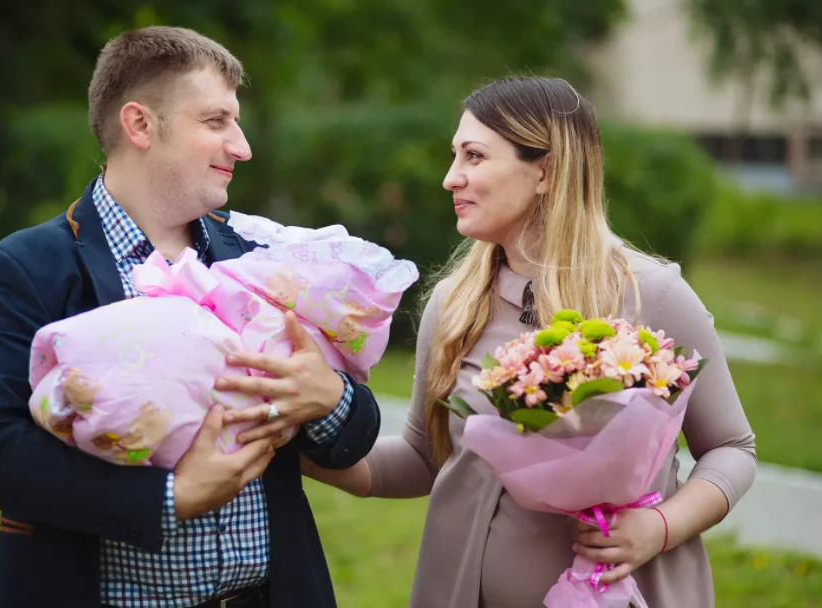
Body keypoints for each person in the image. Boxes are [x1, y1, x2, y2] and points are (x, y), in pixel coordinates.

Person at [0, 25, 381, 608]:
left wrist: (330, 398)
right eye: (216, 121)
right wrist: (169, 498)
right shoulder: (24, 267)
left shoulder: (262, 256)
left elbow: (350, 440)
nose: (242, 146)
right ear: (140, 125)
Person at [303, 77, 757, 607]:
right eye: (455, 155)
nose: (451, 178)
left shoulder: (649, 293)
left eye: (474, 156)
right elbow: (426, 459)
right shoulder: (453, 304)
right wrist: (298, 451)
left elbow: (732, 449)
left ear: (545, 171)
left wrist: (659, 527)